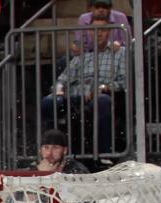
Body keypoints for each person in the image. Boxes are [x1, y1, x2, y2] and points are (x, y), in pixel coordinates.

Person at [41, 17, 126, 156]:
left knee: (103, 101)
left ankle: (105, 154)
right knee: (48, 102)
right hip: (74, 95)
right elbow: (62, 80)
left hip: (100, 94)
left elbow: (123, 82)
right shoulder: (82, 56)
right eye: (94, 30)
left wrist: (102, 87)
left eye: (102, 30)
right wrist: (59, 89)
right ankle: (50, 154)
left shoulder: (120, 53)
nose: (98, 33)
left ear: (109, 32)